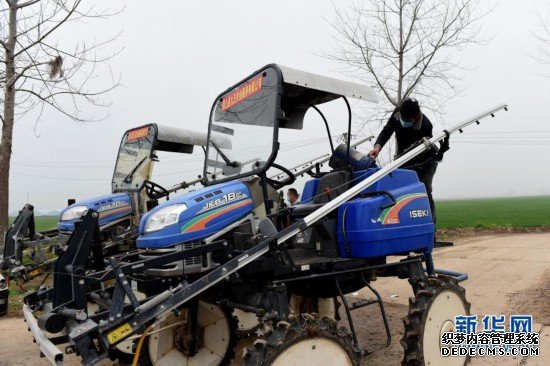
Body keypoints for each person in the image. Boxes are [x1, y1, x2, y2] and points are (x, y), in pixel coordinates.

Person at [368, 98, 438, 223]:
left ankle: (430, 227)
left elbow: (421, 152)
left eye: (407, 120)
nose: (403, 122)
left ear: (416, 117)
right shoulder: (398, 114)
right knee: (401, 190)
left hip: (425, 160)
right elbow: (387, 130)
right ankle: (404, 222)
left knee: (424, 189)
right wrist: (377, 147)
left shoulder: (426, 125)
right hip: (403, 157)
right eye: (402, 119)